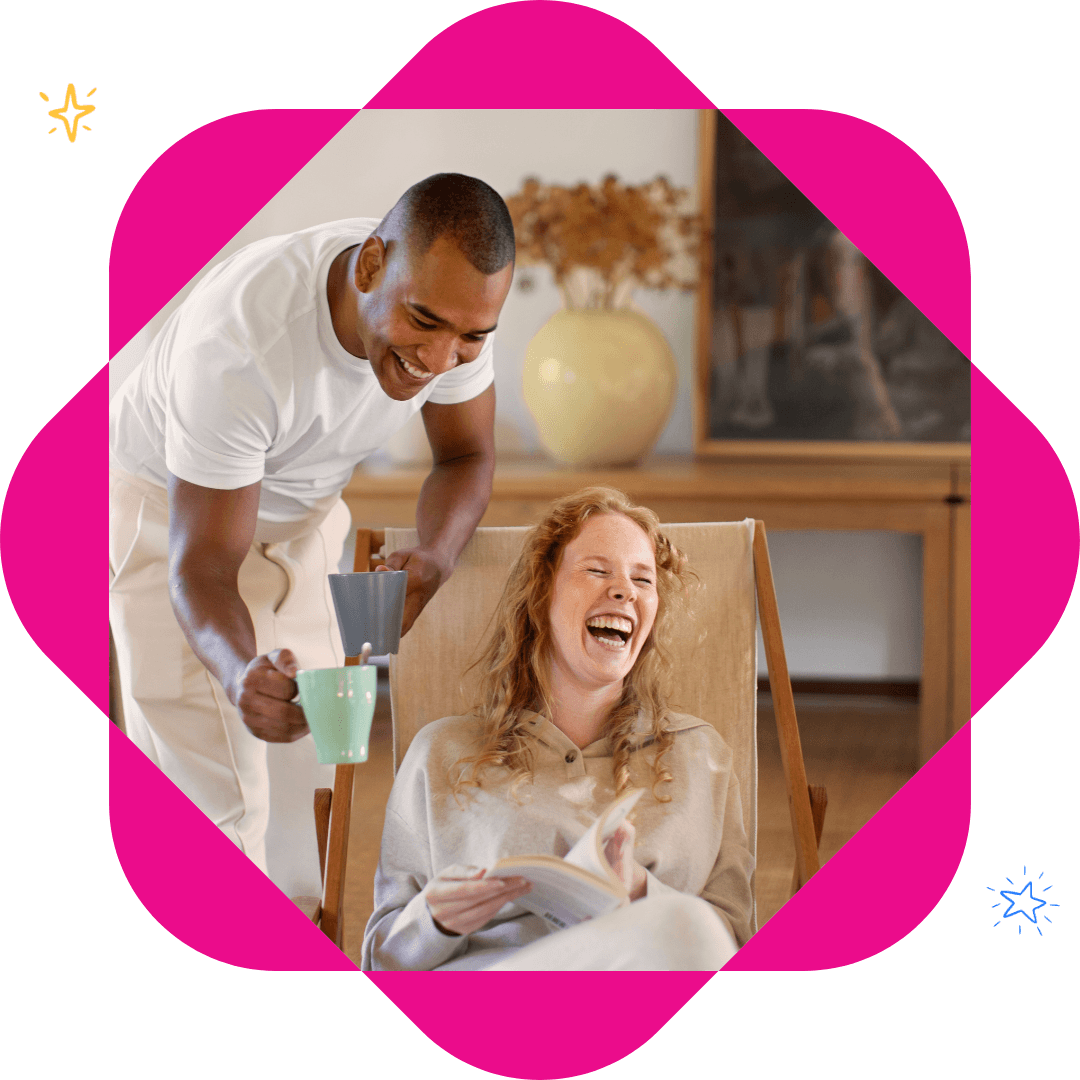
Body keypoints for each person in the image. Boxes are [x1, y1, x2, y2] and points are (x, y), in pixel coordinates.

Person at [109, 173, 515, 894]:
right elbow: (201, 570)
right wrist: (240, 673)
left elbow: (466, 455)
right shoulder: (239, 344)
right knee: (219, 801)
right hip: (171, 519)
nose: (440, 359)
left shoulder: (454, 305)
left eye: (470, 338)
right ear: (370, 266)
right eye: (423, 323)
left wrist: (436, 553)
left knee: (318, 788)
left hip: (306, 515)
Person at [362, 487, 754, 971]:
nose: (625, 591)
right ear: (541, 594)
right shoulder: (442, 751)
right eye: (597, 571)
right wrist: (433, 921)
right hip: (487, 998)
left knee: (691, 925)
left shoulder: (701, 755)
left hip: (640, 995)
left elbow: (732, 945)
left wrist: (639, 891)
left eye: (642, 579)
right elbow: (381, 962)